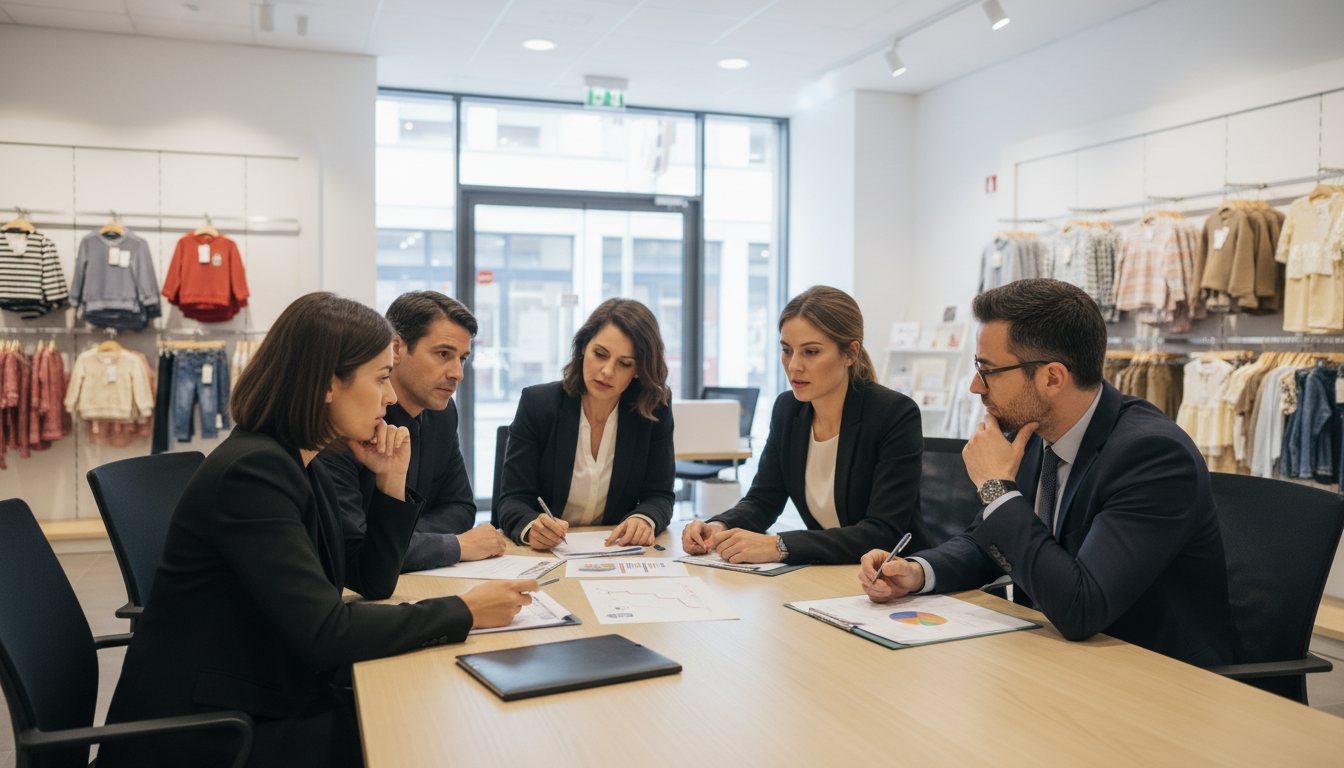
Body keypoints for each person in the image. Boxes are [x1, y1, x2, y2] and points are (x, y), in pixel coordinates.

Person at [98, 293, 535, 768]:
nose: (390, 398)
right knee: (426, 736)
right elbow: (327, 632)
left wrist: (391, 482)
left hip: (263, 691)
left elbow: (370, 579)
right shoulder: (254, 472)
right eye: (381, 378)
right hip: (214, 731)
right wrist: (464, 610)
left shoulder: (301, 460)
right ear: (329, 383)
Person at [860, 279, 1240, 667]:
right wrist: (917, 572)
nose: (976, 386)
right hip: (1057, 657)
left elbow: (1081, 607)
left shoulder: (1152, 456)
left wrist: (996, 488)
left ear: (1052, 378)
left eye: (987, 370)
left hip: (1156, 678)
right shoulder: (1038, 429)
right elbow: (988, 541)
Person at [682, 285, 931, 565]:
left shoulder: (894, 413)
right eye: (787, 350)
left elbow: (882, 533)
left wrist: (780, 546)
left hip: (895, 580)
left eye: (811, 352)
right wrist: (718, 527)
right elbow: (763, 500)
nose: (794, 366)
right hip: (827, 573)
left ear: (850, 354)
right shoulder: (788, 410)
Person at [320, 291, 504, 572]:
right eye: (443, 354)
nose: (458, 373)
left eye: (463, 358)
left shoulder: (443, 413)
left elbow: (462, 507)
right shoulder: (351, 419)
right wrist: (454, 545)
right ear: (396, 348)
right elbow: (351, 546)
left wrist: (405, 536)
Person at [497, 298, 675, 549]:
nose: (607, 371)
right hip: (545, 554)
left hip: (613, 551)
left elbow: (660, 494)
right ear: (583, 348)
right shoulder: (538, 404)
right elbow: (512, 499)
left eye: (624, 363)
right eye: (600, 354)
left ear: (639, 370)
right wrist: (530, 526)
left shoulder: (654, 410)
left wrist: (643, 519)